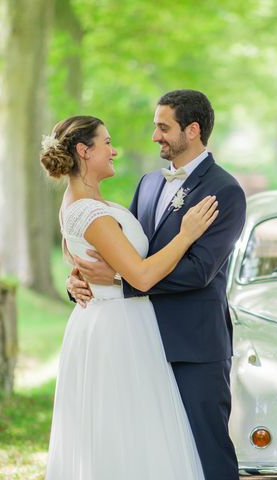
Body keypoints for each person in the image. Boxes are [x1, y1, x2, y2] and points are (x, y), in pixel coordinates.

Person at [67, 90, 246, 479]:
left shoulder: (225, 191)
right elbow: (124, 251)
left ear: (193, 130)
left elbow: (200, 271)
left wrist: (121, 283)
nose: (155, 137)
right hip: (137, 343)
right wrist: (79, 279)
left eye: (163, 128)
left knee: (207, 453)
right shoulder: (148, 183)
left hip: (192, 347)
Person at [41, 115, 219, 479]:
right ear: (83, 150)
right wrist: (186, 235)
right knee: (127, 429)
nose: (114, 150)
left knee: (130, 427)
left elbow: (84, 260)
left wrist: (78, 278)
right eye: (106, 142)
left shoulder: (87, 203)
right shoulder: (89, 212)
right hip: (117, 329)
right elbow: (141, 274)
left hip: (118, 320)